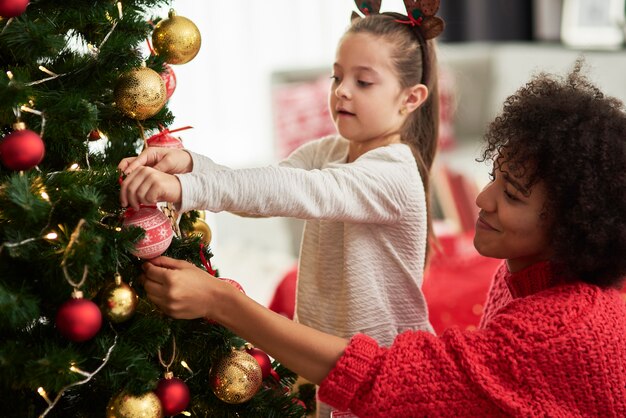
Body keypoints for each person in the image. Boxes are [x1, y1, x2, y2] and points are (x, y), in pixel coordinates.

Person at [138, 63, 626, 416]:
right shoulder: (522, 271)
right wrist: (196, 169)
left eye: (513, 196)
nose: (483, 200)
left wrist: (223, 302)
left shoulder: (557, 329)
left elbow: (384, 377)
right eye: (494, 177)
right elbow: (282, 181)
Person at [120, 8, 443, 350]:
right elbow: (268, 188)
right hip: (334, 366)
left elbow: (299, 191)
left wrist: (188, 188)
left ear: (411, 98)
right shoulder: (328, 150)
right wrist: (189, 165)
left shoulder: (394, 170)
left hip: (391, 372)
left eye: (363, 81)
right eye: (337, 77)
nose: (342, 91)